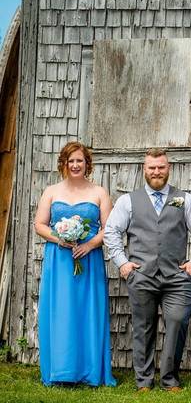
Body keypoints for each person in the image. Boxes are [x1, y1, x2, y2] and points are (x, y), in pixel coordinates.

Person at [103, 148, 191, 392]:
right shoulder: (128, 201)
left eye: (161, 167)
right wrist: (123, 263)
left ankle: (170, 378)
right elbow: (111, 231)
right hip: (141, 275)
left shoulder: (185, 199)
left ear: (168, 168)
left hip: (177, 277)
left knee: (177, 321)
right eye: (152, 167)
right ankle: (144, 381)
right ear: (144, 170)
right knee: (143, 327)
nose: (156, 172)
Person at [34, 141, 115, 387]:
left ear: (87, 164)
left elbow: (109, 229)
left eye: (80, 160)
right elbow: (39, 224)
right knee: (61, 312)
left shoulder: (99, 192)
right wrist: (60, 239)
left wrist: (89, 245)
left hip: (88, 260)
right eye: (71, 161)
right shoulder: (51, 191)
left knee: (86, 312)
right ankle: (61, 370)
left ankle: (89, 371)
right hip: (59, 260)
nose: (75, 165)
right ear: (64, 164)